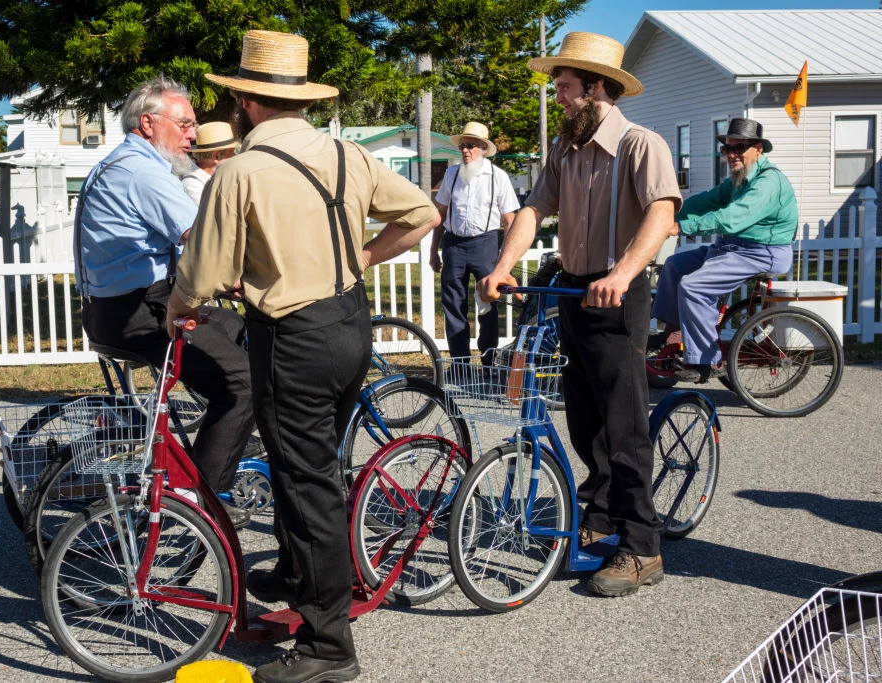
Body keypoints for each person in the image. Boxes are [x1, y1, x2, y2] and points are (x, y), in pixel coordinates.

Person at [166, 30, 440, 683]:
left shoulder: (240, 170)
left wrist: (180, 305)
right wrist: (365, 257)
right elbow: (424, 212)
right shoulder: (347, 154)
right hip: (350, 324)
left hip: (292, 335)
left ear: (246, 101)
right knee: (307, 466)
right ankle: (295, 571)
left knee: (308, 478)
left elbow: (204, 267)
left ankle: (328, 647)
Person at [478, 32, 682, 597]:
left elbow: (662, 213)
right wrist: (503, 265)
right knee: (584, 414)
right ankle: (599, 512)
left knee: (624, 421)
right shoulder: (564, 149)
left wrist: (621, 274)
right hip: (573, 288)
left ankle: (642, 545)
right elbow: (535, 207)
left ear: (596, 88)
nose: (559, 97)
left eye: (565, 88)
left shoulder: (642, 145)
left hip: (618, 290)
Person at [74, 76, 255, 527]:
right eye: (186, 123)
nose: (193, 134)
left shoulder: (122, 163)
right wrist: (250, 279)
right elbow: (201, 240)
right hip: (139, 309)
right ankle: (198, 508)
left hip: (113, 307)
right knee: (243, 383)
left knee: (240, 331)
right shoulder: (144, 173)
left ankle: (231, 436)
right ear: (149, 123)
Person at [650, 118, 797, 383]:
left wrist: (680, 227)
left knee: (694, 286)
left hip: (762, 252)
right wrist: (666, 209)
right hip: (734, 247)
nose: (731, 155)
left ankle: (706, 361)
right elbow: (707, 200)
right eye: (727, 149)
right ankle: (674, 334)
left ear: (758, 149)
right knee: (674, 266)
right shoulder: (738, 180)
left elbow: (731, 218)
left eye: (739, 148)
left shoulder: (767, 182)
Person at [429, 121, 520, 360]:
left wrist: (505, 260)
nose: (465, 151)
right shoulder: (452, 174)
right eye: (463, 146)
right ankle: (460, 363)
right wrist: (433, 250)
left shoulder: (497, 177)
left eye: (471, 146)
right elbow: (441, 213)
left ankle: (489, 361)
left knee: (488, 303)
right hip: (454, 245)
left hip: (485, 244)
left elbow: (510, 220)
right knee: (453, 306)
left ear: (483, 148)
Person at [180, 121, 237, 204]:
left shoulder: (220, 177)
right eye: (231, 152)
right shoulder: (192, 185)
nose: (235, 156)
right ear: (216, 156)